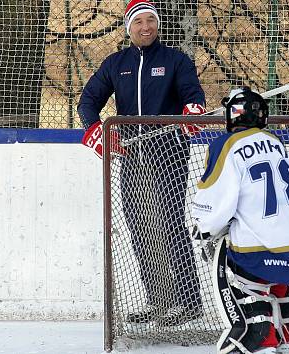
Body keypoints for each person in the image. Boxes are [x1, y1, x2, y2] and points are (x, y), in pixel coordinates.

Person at [78, 0, 205, 326]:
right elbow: (88, 101)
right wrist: (96, 130)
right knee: (140, 227)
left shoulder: (176, 60)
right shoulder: (116, 63)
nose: (145, 27)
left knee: (169, 223)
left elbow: (192, 93)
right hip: (131, 153)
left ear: (158, 25)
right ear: (128, 28)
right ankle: (158, 301)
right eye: (138, 22)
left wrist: (193, 110)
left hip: (168, 150)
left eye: (150, 20)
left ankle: (188, 302)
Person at [191, 87, 289, 353]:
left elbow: (216, 196)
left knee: (228, 260)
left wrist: (202, 227)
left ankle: (260, 337)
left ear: (231, 116)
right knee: (270, 271)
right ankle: (285, 329)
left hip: (258, 247)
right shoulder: (276, 142)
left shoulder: (226, 144)